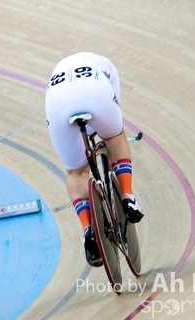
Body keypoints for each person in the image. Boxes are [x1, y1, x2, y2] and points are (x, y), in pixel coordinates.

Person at [44, 52, 145, 267]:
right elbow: (114, 111)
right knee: (114, 136)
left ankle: (88, 228)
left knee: (76, 172)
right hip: (95, 93)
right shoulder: (107, 66)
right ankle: (128, 197)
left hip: (58, 102)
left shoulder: (56, 74)